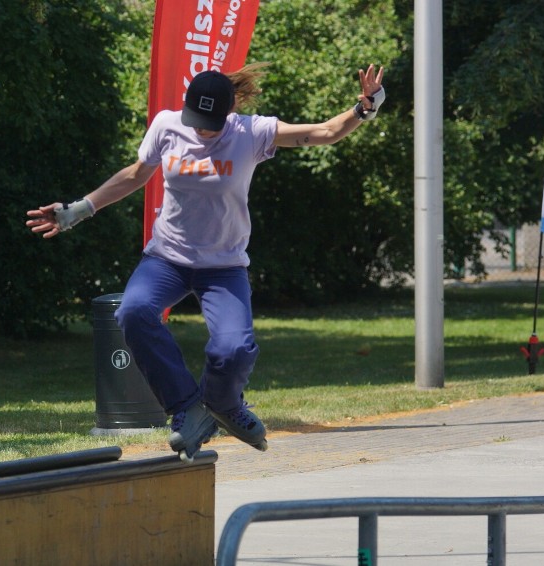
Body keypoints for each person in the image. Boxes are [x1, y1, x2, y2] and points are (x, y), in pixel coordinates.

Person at [27, 64, 385, 461]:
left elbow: (325, 132)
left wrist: (365, 107)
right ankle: (186, 408)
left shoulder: (252, 133)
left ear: (230, 111)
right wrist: (77, 210)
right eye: (197, 122)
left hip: (224, 266)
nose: (202, 131)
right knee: (133, 312)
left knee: (234, 349)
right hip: (167, 257)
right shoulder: (167, 125)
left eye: (212, 125)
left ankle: (225, 406)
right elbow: (135, 175)